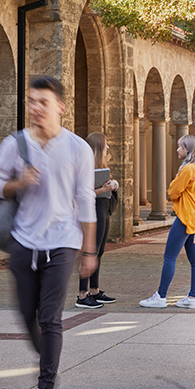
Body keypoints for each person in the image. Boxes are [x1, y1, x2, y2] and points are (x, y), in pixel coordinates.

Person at [0, 75, 97, 389]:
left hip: (63, 242)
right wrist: (17, 183)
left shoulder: (78, 149)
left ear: (60, 107)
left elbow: (86, 200)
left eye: (43, 102)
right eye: (31, 101)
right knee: (26, 315)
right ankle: (50, 354)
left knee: (50, 317)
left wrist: (89, 252)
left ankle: (45, 385)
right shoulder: (16, 144)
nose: (35, 107)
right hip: (23, 241)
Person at [140, 134, 195, 309]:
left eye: (179, 147)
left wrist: (174, 183)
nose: (177, 149)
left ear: (187, 149)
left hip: (185, 218)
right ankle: (193, 297)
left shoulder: (187, 169)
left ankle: (161, 296)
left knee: (169, 257)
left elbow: (172, 192)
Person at [75, 132, 119, 309]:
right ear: (98, 147)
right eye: (105, 144)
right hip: (92, 213)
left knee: (98, 253)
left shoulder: (102, 167)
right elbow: (81, 196)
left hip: (103, 211)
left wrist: (113, 186)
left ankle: (94, 290)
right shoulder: (84, 169)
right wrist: (102, 190)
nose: (107, 147)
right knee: (89, 253)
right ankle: (82, 294)